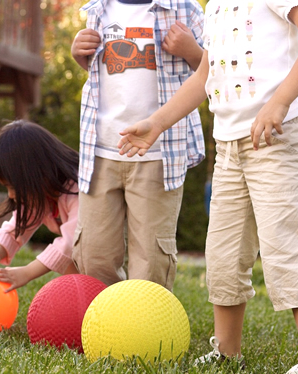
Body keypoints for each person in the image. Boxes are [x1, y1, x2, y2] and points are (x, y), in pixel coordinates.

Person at [117, 1, 298, 374]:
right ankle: (226, 351)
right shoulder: (215, 6)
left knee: (287, 244)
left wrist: (280, 102)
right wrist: (156, 123)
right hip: (230, 146)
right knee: (223, 250)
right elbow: (206, 73)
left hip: (280, 138)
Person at [69, 0, 205, 290]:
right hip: (101, 150)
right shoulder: (97, 9)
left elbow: (213, 72)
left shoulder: (186, 9)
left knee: (151, 261)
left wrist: (192, 51)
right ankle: (102, 325)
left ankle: (146, 328)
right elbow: (102, 73)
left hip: (158, 154)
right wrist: (80, 53)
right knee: (94, 254)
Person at [0, 120, 80, 292]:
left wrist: (26, 272)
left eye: (13, 186)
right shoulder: (40, 194)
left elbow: (70, 243)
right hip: (83, 249)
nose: (10, 195)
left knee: (78, 255)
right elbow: (15, 229)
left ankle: (93, 290)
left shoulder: (78, 191)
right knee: (72, 262)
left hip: (113, 250)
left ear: (36, 173)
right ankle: (81, 291)